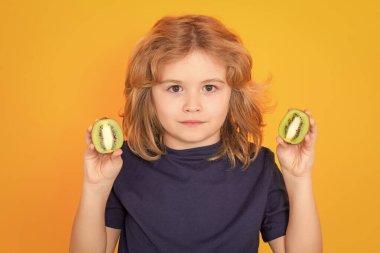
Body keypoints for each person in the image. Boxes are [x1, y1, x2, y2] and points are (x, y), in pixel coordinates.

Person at [69, 14, 322, 253]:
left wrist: (298, 179)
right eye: (175, 88)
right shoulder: (122, 164)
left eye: (209, 87)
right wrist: (95, 187)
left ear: (233, 94)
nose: (192, 104)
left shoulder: (259, 167)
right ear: (149, 95)